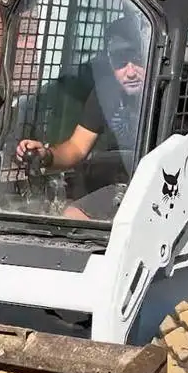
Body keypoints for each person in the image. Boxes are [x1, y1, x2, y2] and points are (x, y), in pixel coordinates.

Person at [14, 15, 149, 221]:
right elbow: (77, 147)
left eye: (137, 60)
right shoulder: (105, 93)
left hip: (165, 187)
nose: (130, 72)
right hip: (125, 185)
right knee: (72, 216)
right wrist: (46, 154)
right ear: (110, 62)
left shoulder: (171, 95)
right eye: (121, 62)